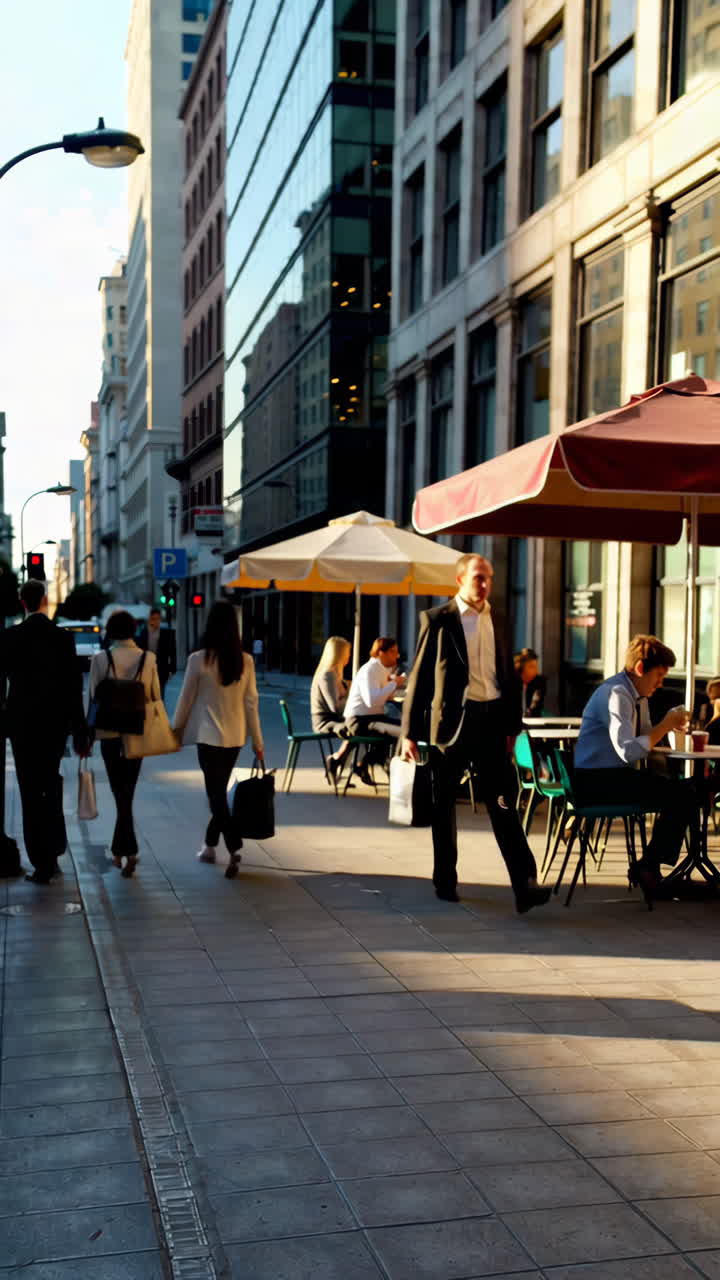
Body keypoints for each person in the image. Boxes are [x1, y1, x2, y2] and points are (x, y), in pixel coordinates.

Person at [401, 554, 550, 913]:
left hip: (490, 723)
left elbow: (510, 677)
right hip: (450, 728)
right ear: (460, 580)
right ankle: (445, 880)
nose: (484, 585)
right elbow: (420, 677)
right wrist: (409, 733)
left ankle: (524, 885)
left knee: (502, 802)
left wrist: (513, 728)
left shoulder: (499, 618)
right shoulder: (438, 620)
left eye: (488, 579)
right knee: (443, 806)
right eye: (478, 578)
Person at [573, 634, 697, 894]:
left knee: (688, 790)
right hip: (598, 782)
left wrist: (670, 729)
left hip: (611, 777)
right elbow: (628, 751)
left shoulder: (637, 696)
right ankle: (649, 868)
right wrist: (665, 725)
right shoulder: (617, 693)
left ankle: (649, 866)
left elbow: (646, 739)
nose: (661, 683)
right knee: (684, 793)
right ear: (641, 669)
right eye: (659, 675)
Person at [0, 579, 88, 883]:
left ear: (23, 603)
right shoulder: (62, 638)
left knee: (29, 791)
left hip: (22, 726)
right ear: (44, 601)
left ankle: (40, 861)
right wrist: (79, 728)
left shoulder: (11, 637)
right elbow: (73, 688)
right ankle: (53, 851)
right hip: (54, 726)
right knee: (50, 787)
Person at [173, 600, 263, 875]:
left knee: (215, 796)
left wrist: (174, 730)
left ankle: (234, 846)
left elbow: (185, 700)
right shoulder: (245, 661)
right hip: (235, 738)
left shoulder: (198, 660)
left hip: (208, 737)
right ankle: (209, 847)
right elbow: (252, 704)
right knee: (218, 794)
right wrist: (258, 742)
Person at [89, 610, 160, 878]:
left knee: (121, 794)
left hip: (108, 734)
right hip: (137, 734)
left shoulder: (100, 659)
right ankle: (125, 851)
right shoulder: (148, 658)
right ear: (133, 630)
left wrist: (86, 735)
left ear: (110, 630)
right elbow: (154, 696)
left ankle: (124, 851)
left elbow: (93, 697)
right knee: (126, 793)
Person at [344, 636, 406, 783]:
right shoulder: (370, 670)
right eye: (392, 651)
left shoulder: (380, 669)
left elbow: (382, 697)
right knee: (402, 732)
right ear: (380, 652)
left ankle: (364, 764)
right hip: (359, 720)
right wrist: (394, 684)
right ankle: (392, 769)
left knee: (403, 727)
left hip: (373, 717)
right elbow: (371, 700)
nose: (396, 655)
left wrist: (393, 686)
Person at [311, 636, 352, 781]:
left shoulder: (336, 673)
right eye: (347, 652)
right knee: (357, 728)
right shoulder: (328, 675)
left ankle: (337, 760)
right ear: (339, 654)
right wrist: (353, 700)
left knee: (359, 727)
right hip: (324, 721)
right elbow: (335, 706)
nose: (349, 656)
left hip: (333, 719)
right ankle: (337, 760)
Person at [137, 607, 176, 696]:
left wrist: (172, 669)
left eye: (158, 619)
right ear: (149, 619)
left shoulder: (166, 633)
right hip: (146, 667)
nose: (156, 621)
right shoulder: (144, 633)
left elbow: (172, 652)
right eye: (153, 619)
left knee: (160, 692)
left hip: (161, 668)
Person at [514, 647, 546, 717]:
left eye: (536, 666)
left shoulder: (540, 681)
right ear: (520, 668)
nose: (536, 671)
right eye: (531, 667)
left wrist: (529, 711)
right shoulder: (512, 683)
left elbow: (536, 708)